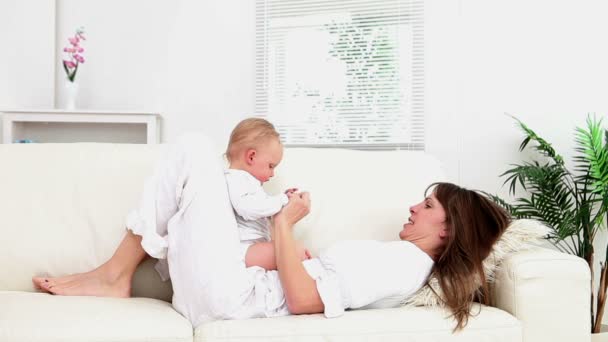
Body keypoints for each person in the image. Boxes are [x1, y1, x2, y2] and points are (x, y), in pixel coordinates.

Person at [32, 132, 510, 331]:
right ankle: (116, 273)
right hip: (228, 283)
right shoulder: (400, 259)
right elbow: (297, 274)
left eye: (426, 206)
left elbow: (302, 300)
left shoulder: (403, 265)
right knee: (203, 175)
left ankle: (115, 276)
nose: (412, 207)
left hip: (229, 299)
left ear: (448, 231)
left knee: (194, 148)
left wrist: (283, 222)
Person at [224, 118, 310, 270]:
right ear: (251, 156)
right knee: (295, 252)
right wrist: (282, 200)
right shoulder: (236, 179)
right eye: (271, 166)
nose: (272, 174)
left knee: (294, 252)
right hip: (245, 250)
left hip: (254, 247)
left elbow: (259, 205)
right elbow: (248, 208)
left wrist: (282, 200)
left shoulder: (248, 182)